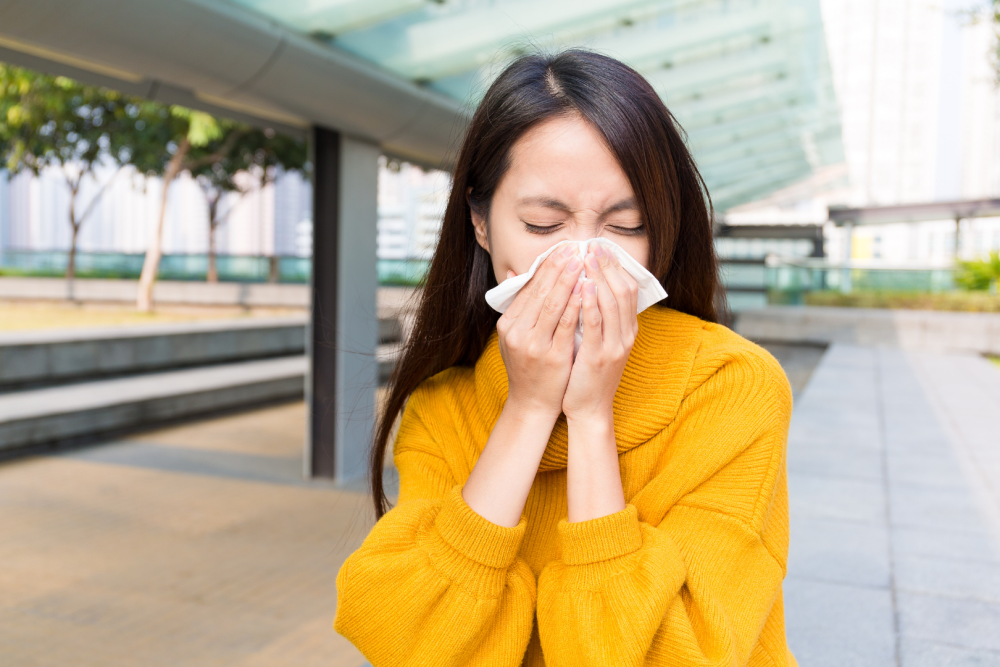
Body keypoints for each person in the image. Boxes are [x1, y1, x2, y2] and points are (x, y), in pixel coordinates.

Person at [334, 50, 796, 667]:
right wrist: (527, 411)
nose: (583, 260)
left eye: (625, 226)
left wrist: (591, 419)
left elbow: (683, 652)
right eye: (543, 224)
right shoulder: (443, 408)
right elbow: (411, 640)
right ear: (480, 223)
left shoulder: (731, 386)